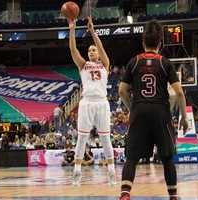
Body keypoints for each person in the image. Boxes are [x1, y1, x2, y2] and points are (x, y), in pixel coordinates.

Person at [118, 20, 189, 200]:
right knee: (167, 158)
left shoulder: (134, 62)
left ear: (143, 44)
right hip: (160, 112)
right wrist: (184, 117)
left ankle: (125, 195)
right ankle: (173, 196)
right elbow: (179, 92)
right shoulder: (165, 63)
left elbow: (121, 91)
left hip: (139, 110)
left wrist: (131, 107)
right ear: (160, 44)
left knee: (132, 157)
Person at [68, 16, 116, 187]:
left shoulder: (105, 64)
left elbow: (102, 49)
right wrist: (72, 29)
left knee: (106, 139)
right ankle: (77, 172)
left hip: (102, 103)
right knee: (81, 138)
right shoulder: (83, 65)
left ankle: (112, 172)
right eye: (89, 50)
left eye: (93, 50)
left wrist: (92, 31)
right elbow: (73, 50)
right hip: (86, 102)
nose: (91, 52)